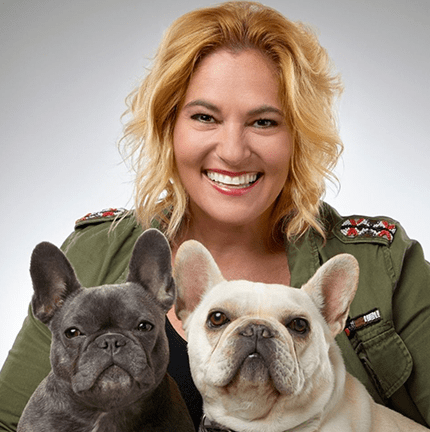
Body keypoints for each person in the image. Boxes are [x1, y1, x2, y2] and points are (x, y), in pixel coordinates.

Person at [1, 1, 429, 430]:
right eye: (205, 117)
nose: (232, 150)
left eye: (264, 122)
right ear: (169, 126)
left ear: (299, 135)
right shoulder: (96, 252)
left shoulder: (382, 264)